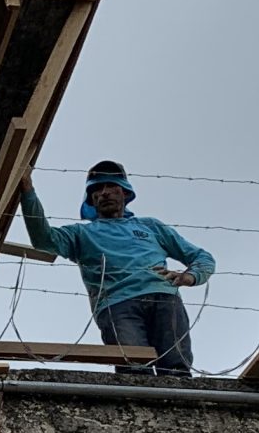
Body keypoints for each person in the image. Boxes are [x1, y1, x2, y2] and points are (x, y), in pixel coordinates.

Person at [17, 160, 216, 374]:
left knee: (176, 369)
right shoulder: (82, 233)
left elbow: (202, 257)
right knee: (134, 371)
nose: (104, 193)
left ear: (125, 193)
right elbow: (44, 240)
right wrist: (27, 191)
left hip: (164, 298)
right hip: (117, 305)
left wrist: (190, 277)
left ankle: (179, 404)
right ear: (91, 200)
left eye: (111, 187)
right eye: (97, 190)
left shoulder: (150, 226)